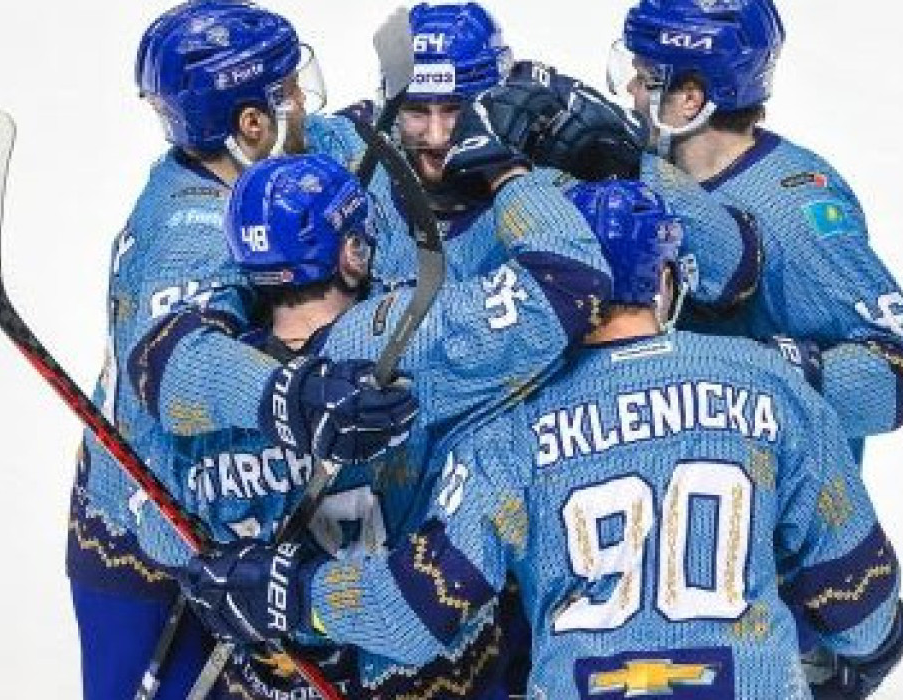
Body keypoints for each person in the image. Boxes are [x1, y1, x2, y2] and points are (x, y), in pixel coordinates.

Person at [179, 179, 903, 699]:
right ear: (663, 280)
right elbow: (858, 592)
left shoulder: (505, 427)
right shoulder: (772, 385)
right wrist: (872, 649)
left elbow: (413, 612)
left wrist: (290, 593)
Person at [134, 104, 609, 695]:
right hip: (423, 669)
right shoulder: (403, 335)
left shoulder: (205, 392)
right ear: (353, 253)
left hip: (272, 676)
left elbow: (155, 527)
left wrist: (239, 577)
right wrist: (508, 175)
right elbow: (571, 281)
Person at [66, 2, 414, 697]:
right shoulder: (186, 229)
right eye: (288, 91)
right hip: (145, 532)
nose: (302, 101)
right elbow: (173, 367)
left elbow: (352, 147)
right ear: (252, 123)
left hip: (244, 506)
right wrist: (292, 395)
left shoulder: (281, 159)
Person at [605, 0, 903, 444]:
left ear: (690, 100)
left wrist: (740, 382)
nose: (631, 90)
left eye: (646, 78)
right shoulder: (647, 167)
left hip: (769, 483)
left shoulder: (793, 213)